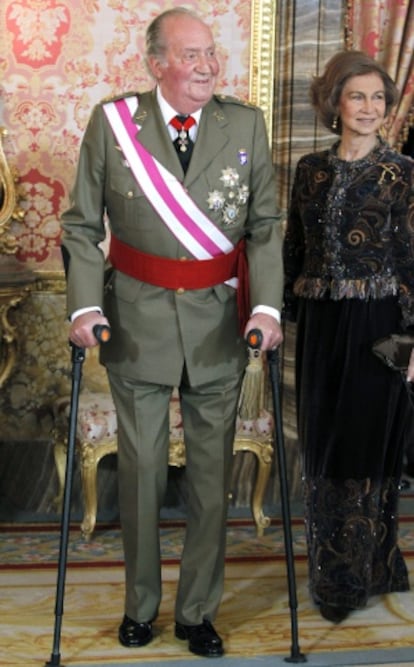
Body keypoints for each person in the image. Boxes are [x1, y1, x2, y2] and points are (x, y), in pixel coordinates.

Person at [61, 6, 284, 657]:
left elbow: (264, 226)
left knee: (212, 481)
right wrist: (82, 307)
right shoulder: (114, 125)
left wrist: (265, 308)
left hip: (220, 326)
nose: (207, 65)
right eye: (191, 55)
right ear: (156, 62)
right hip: (135, 323)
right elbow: (80, 226)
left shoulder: (244, 122)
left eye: (211, 53)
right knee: (142, 478)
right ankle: (141, 606)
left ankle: (196, 613)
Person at [283, 50, 414, 624]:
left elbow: (412, 260)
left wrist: (413, 344)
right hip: (319, 326)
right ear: (334, 101)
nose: (369, 108)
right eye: (357, 96)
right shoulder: (309, 169)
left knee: (364, 445)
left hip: (380, 325)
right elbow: (292, 248)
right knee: (321, 444)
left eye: (378, 98)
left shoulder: (404, 173)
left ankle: (350, 578)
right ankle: (349, 566)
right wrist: (271, 312)